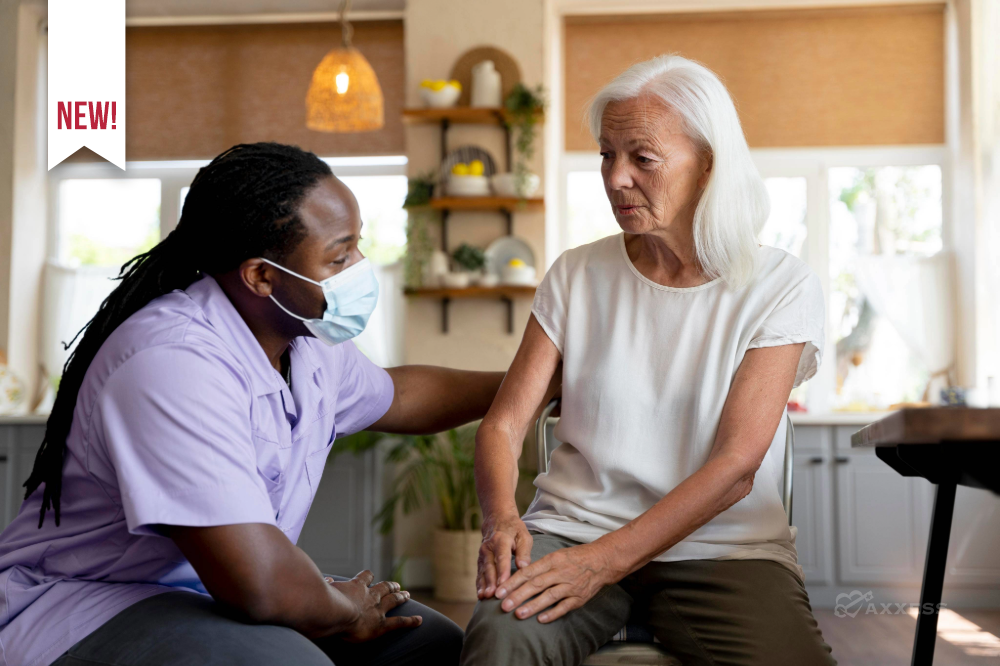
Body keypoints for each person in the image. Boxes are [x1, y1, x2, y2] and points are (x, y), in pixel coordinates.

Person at [0, 142, 506, 666]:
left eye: (358, 247)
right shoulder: (171, 361)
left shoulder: (305, 345)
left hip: (211, 595)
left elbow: (400, 396)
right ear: (261, 276)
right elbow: (261, 584)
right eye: (339, 256)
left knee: (430, 644)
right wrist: (343, 610)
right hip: (95, 602)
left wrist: (539, 383)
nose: (360, 268)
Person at [462, 55, 837, 666]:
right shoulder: (577, 274)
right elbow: (504, 424)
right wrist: (500, 519)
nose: (615, 178)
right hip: (572, 529)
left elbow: (736, 468)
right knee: (499, 646)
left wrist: (603, 564)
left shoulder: (779, 285)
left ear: (708, 164)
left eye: (642, 157)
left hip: (719, 548)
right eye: (606, 155)